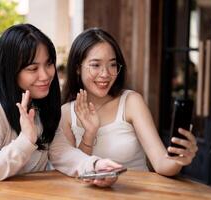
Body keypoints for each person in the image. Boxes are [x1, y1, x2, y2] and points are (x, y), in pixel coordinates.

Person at [0, 24, 121, 200]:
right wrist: (25, 141)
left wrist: (96, 166)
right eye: (33, 68)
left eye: (48, 64)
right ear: (11, 71)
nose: (45, 75)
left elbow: (62, 152)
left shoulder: (40, 106)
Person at [59, 27, 198, 176]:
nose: (105, 74)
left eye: (112, 64)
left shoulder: (131, 102)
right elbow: (73, 171)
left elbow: (161, 164)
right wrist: (89, 133)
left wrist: (179, 158)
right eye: (95, 65)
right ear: (77, 69)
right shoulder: (66, 113)